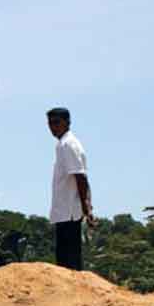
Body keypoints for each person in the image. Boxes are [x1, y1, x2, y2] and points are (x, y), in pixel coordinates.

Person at [47, 107, 93, 270]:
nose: (53, 127)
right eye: (50, 123)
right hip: (64, 210)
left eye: (56, 122)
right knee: (65, 258)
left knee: (69, 261)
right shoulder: (63, 144)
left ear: (67, 122)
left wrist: (86, 207)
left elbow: (80, 177)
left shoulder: (68, 144)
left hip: (69, 211)